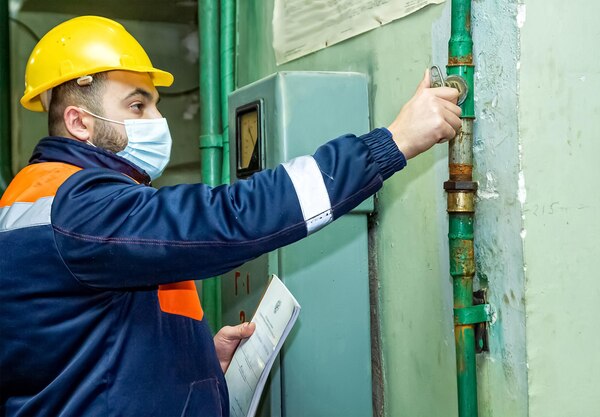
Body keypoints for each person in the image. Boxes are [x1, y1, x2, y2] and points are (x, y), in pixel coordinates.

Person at [0, 15, 461, 417]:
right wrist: (392, 143)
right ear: (80, 122)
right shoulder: (78, 206)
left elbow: (85, 345)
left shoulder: (48, 198)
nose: (157, 120)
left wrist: (192, 361)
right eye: (138, 105)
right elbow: (229, 219)